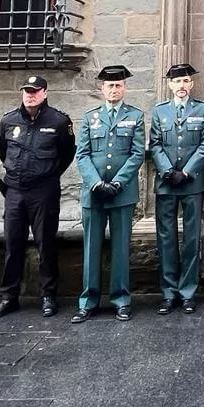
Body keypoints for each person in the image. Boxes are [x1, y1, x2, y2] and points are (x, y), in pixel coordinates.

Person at [0, 74, 75, 321]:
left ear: (45, 93)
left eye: (35, 91)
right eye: (27, 91)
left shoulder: (59, 121)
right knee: (12, 244)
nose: (30, 95)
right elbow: (2, 151)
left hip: (44, 191)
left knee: (45, 244)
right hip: (15, 190)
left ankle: (48, 295)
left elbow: (66, 154)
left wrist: (46, 175)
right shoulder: (9, 120)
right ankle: (8, 296)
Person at [72, 65, 145, 324]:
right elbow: (82, 155)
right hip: (94, 193)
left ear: (124, 88)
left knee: (120, 248)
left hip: (121, 193)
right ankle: (88, 301)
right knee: (91, 248)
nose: (114, 89)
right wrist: (95, 182)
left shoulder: (135, 116)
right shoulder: (90, 117)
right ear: (102, 89)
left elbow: (137, 154)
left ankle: (121, 299)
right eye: (110, 85)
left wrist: (117, 182)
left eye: (118, 85)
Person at [149, 63, 204, 315]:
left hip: (192, 181)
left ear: (192, 84)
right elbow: (154, 144)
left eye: (186, 81)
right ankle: (168, 292)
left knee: (191, 238)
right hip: (166, 182)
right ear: (170, 85)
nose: (182, 86)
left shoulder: (203, 109)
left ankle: (187, 292)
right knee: (166, 239)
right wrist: (167, 171)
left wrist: (186, 171)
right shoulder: (159, 111)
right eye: (177, 82)